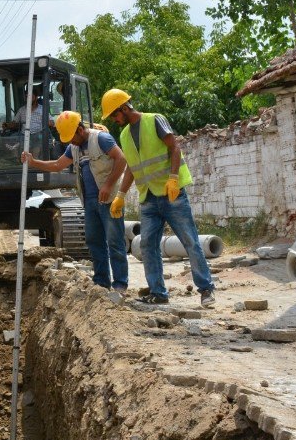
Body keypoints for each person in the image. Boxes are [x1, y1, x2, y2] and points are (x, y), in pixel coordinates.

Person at [100, 89, 216, 307]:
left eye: (115, 115)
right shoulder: (124, 135)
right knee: (147, 246)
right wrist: (121, 195)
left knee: (190, 241)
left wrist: (173, 178)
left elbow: (174, 147)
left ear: (124, 108)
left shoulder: (155, 120)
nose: (115, 120)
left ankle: (206, 289)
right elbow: (133, 169)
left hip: (172, 195)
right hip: (148, 198)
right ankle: (158, 292)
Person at [21, 111, 129, 292]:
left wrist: (108, 185)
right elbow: (57, 165)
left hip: (109, 200)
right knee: (94, 241)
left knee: (115, 241)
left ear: (80, 130)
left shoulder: (101, 139)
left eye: (71, 136)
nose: (70, 141)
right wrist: (34, 162)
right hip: (89, 201)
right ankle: (101, 282)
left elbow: (122, 159)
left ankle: (120, 284)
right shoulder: (74, 148)